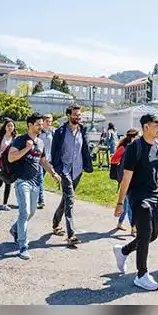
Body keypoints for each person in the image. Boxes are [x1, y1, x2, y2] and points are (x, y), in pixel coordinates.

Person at [112, 113, 158, 290]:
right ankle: (141, 274)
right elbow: (126, 177)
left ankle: (123, 251)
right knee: (145, 233)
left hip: (154, 196)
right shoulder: (134, 148)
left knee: (152, 235)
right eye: (156, 124)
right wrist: (120, 202)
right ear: (146, 127)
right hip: (138, 196)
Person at [7, 113, 62, 260]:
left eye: (42, 124)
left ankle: (14, 229)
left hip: (35, 183)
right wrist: (26, 149)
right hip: (22, 182)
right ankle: (23, 246)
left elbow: (43, 161)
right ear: (30, 125)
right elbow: (11, 157)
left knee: (31, 212)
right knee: (24, 212)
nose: (41, 126)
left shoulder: (41, 142)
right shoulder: (20, 140)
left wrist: (53, 173)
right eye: (38, 124)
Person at [49, 104, 94, 247]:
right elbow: (54, 151)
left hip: (78, 170)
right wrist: (56, 169)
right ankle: (71, 234)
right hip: (65, 170)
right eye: (75, 115)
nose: (77, 117)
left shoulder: (82, 130)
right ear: (69, 115)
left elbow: (85, 149)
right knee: (70, 199)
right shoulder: (60, 132)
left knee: (66, 198)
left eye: (79, 115)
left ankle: (55, 223)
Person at [110, 129, 140, 233]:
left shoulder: (136, 148)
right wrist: (122, 164)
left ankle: (120, 223)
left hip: (133, 178)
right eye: (138, 136)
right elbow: (113, 159)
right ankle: (133, 227)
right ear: (133, 137)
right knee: (129, 204)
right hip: (125, 178)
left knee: (126, 203)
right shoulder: (124, 148)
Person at [37, 114, 54, 209]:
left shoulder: (52, 132)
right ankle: (41, 200)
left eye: (50, 121)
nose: (49, 123)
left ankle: (34, 197)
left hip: (48, 160)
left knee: (38, 180)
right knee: (40, 180)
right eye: (47, 121)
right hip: (38, 160)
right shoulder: (39, 132)